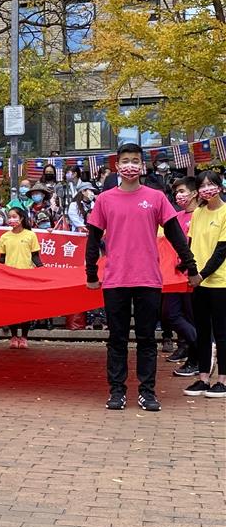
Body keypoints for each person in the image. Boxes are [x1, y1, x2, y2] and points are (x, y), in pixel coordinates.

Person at [86, 143, 199, 412]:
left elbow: (176, 235)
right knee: (117, 339)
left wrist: (191, 267)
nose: (130, 165)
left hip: (148, 278)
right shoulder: (105, 199)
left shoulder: (156, 197)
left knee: (147, 338)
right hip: (115, 280)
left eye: (135, 160)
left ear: (143, 165)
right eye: (125, 160)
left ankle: (147, 392)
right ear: (117, 166)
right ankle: (117, 391)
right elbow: (93, 239)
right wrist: (91, 272)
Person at [181, 171, 226, 398]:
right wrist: (187, 268)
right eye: (202, 185)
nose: (207, 189)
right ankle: (203, 378)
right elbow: (190, 243)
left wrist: (202, 274)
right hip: (198, 282)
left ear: (219, 186)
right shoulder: (198, 213)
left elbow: (221, 251)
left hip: (220, 282)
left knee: (222, 331)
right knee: (202, 330)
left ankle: (223, 380)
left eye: (211, 184)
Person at [164, 178, 200, 372]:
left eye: (183, 191)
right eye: (177, 192)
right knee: (170, 314)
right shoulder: (176, 217)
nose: (179, 195)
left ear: (194, 193)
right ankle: (200, 349)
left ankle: (196, 359)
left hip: (192, 275)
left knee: (190, 316)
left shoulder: (201, 215)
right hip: (173, 276)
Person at [0, 207, 44, 349]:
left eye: (14, 217)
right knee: (12, 309)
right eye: (9, 217)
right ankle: (13, 336)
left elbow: (35, 256)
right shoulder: (5, 237)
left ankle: (24, 337)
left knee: (25, 309)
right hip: (9, 277)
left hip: (26, 276)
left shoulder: (30, 235)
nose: (11, 220)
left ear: (21, 218)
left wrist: (43, 271)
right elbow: (2, 258)